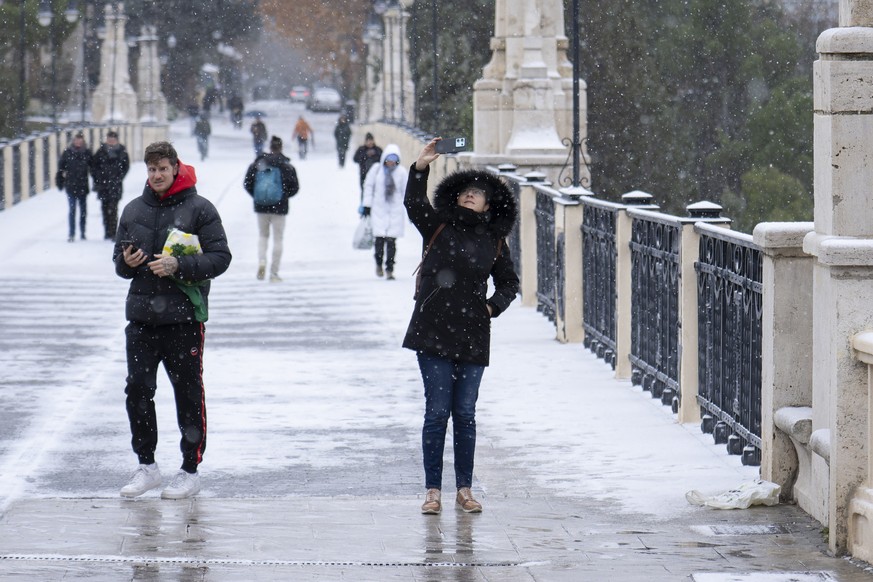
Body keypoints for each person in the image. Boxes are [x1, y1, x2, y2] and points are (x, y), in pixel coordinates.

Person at [403, 138, 519, 515]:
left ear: (489, 203)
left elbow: (510, 284)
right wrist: (421, 167)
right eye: (466, 192)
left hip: (473, 333)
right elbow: (414, 203)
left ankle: (465, 489)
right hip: (433, 329)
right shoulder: (438, 225)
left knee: (465, 414)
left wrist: (491, 308)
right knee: (437, 412)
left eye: (478, 193)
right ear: (456, 197)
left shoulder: (494, 240)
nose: (471, 196)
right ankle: (432, 491)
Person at [112, 141, 232, 500]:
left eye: (163, 168)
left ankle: (190, 470)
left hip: (183, 320)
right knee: (138, 390)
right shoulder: (133, 210)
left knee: (188, 393)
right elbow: (118, 264)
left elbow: (221, 257)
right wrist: (127, 262)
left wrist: (180, 264)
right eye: (151, 169)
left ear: (176, 168)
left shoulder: (199, 209)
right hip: (141, 319)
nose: (157, 175)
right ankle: (146, 466)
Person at [243, 136, 300, 282]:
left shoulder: (259, 163)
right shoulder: (286, 165)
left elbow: (247, 183)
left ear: (270, 147)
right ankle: (274, 273)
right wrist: (284, 196)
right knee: (278, 239)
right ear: (281, 147)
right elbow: (295, 187)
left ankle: (262, 260)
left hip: (261, 206)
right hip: (280, 208)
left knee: (263, 236)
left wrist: (257, 196)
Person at [361, 144, 408, 280]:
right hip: (378, 210)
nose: (391, 161)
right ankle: (378, 264)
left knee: (392, 242)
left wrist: (410, 209)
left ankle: (390, 268)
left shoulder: (401, 172)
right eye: (389, 158)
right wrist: (367, 205)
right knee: (379, 242)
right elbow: (368, 186)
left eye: (394, 158)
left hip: (395, 211)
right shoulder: (377, 170)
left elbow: (406, 191)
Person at [90, 130, 130, 241]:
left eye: (113, 139)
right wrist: (98, 178)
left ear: (116, 140)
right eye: (109, 139)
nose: (111, 141)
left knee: (113, 209)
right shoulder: (101, 151)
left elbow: (126, 166)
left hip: (115, 185)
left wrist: (118, 177)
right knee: (104, 208)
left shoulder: (122, 152)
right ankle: (107, 231)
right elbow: (94, 167)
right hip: (102, 186)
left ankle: (113, 232)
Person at [57, 132, 93, 242]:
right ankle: (71, 233)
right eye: (76, 140)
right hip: (71, 186)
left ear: (83, 141)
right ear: (73, 141)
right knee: (72, 210)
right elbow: (61, 168)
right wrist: (60, 182)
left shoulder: (87, 152)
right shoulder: (67, 152)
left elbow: (93, 168)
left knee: (83, 211)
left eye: (80, 140)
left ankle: (82, 232)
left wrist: (98, 181)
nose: (78, 142)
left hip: (83, 185)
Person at [353, 133, 382, 199]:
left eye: (371, 140)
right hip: (364, 174)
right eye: (368, 140)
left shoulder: (378, 150)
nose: (369, 142)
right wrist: (365, 155)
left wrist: (374, 156)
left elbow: (382, 160)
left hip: (376, 175)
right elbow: (355, 159)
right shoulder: (361, 149)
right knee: (364, 192)